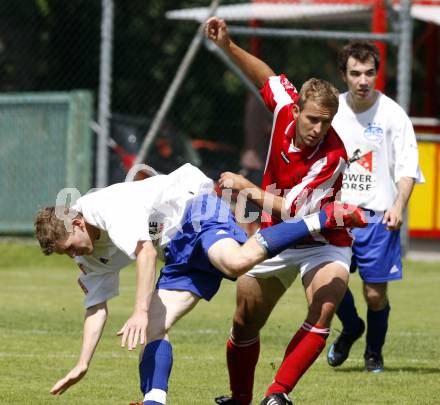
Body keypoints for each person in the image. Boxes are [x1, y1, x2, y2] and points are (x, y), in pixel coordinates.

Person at [34, 163, 366, 405]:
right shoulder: (84, 251)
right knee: (153, 327)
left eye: (71, 246)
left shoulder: (105, 209)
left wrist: (137, 309)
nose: (74, 255)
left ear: (77, 222)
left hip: (195, 203)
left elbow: (145, 254)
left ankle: (323, 217)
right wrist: (82, 363)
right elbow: (96, 306)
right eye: (66, 254)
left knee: (234, 262)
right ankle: (154, 402)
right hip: (176, 246)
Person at [205, 17, 364, 405]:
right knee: (244, 321)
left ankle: (278, 395)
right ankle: (240, 398)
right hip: (276, 236)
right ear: (296, 111)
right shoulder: (282, 108)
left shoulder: (334, 156)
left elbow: (296, 209)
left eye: (326, 122)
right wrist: (228, 45)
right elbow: (265, 76)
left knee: (326, 305)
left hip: (323, 238)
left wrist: (247, 189)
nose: (318, 129)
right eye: (312, 119)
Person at [326, 41, 424, 372]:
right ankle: (351, 326)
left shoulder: (393, 115)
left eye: (369, 73)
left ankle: (373, 352)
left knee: (374, 295)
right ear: (344, 75)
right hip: (337, 215)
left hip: (378, 218)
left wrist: (399, 205)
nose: (363, 81)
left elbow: (408, 166)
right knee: (330, 283)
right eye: (355, 74)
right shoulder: (331, 111)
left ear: (376, 74)